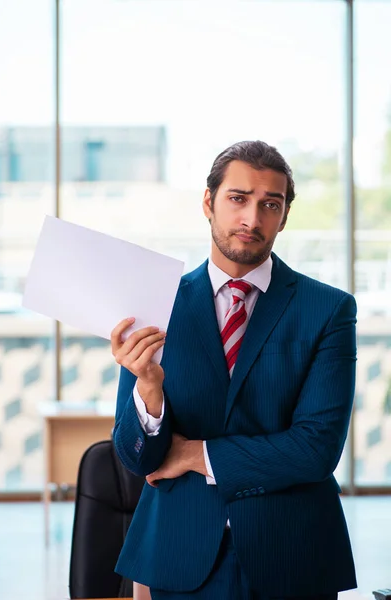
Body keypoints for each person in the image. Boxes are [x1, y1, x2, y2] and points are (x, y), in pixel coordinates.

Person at [111, 140, 357, 600]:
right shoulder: (154, 304)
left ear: (284, 216)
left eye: (270, 204)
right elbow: (138, 459)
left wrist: (193, 455)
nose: (252, 219)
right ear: (209, 202)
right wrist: (148, 390)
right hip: (178, 551)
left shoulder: (328, 310)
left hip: (291, 553)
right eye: (238, 199)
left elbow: (316, 450)